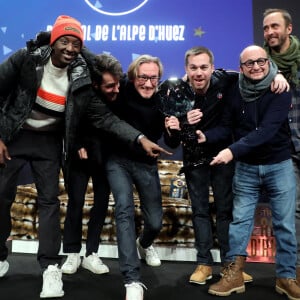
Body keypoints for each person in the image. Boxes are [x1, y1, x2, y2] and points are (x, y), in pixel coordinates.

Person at [0, 15, 168, 298]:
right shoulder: (26, 60)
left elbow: (105, 118)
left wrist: (140, 138)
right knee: (2, 195)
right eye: (64, 40)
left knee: (50, 201)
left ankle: (50, 268)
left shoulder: (80, 76)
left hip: (48, 142)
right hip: (15, 134)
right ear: (53, 42)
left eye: (76, 43)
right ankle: (1, 257)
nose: (69, 47)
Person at [197, 45, 299, 299]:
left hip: (279, 164)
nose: (256, 67)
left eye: (261, 62)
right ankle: (234, 275)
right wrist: (205, 136)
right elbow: (227, 126)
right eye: (249, 63)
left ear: (269, 62)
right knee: (239, 222)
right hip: (247, 167)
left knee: (285, 224)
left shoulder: (280, 88)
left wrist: (231, 151)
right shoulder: (234, 88)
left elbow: (267, 130)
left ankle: (287, 277)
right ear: (241, 67)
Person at [160, 46, 253, 285]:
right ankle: (203, 263)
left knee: (225, 212)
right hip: (194, 159)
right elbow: (171, 140)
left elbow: (252, 73)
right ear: (186, 69)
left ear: (213, 68)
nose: (199, 73)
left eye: (203, 67)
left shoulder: (225, 81)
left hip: (222, 155)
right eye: (193, 68)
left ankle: (230, 265)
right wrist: (180, 123)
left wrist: (278, 75)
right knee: (200, 212)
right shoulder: (175, 93)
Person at [104, 55, 166, 300]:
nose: (148, 84)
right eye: (143, 77)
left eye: (153, 78)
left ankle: (145, 243)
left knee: (155, 223)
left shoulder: (163, 101)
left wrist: (173, 130)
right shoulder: (119, 93)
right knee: (124, 210)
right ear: (132, 77)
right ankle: (132, 280)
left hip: (146, 164)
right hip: (117, 160)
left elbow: (170, 141)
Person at [61, 53, 123, 275]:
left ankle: (91, 253)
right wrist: (77, 144)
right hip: (80, 157)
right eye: (110, 86)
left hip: (106, 157)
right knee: (75, 203)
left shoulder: (119, 89)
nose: (116, 89)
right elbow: (69, 121)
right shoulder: (82, 92)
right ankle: (71, 253)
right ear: (95, 85)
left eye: (117, 84)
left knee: (101, 204)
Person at [263, 8, 300, 281]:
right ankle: (293, 271)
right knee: (291, 214)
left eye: (274, 26)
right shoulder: (259, 65)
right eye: (265, 28)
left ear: (289, 29)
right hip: (284, 151)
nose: (270, 32)